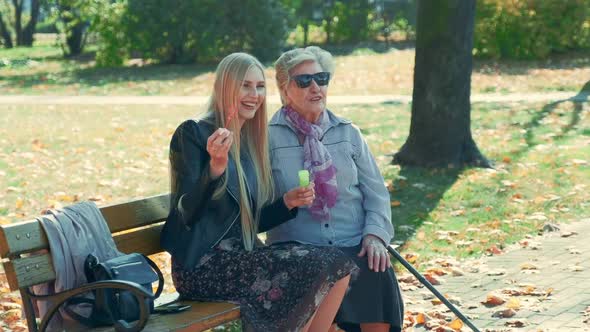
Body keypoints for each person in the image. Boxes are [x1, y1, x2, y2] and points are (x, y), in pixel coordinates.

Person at [160, 52, 357, 332]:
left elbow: (249, 222)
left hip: (241, 256)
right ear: (225, 87)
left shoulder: (250, 142)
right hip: (202, 265)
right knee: (322, 264)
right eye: (245, 85)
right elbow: (187, 212)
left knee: (338, 266)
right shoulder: (193, 133)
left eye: (260, 86)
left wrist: (286, 203)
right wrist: (215, 168)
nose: (254, 94)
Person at [267, 46, 404, 332]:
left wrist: (376, 236)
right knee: (322, 273)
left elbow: (376, 193)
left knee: (375, 266)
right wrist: (287, 201)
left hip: (354, 243)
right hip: (300, 250)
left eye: (322, 78)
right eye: (304, 81)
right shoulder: (268, 138)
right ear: (284, 88)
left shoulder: (348, 133)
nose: (315, 87)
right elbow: (256, 207)